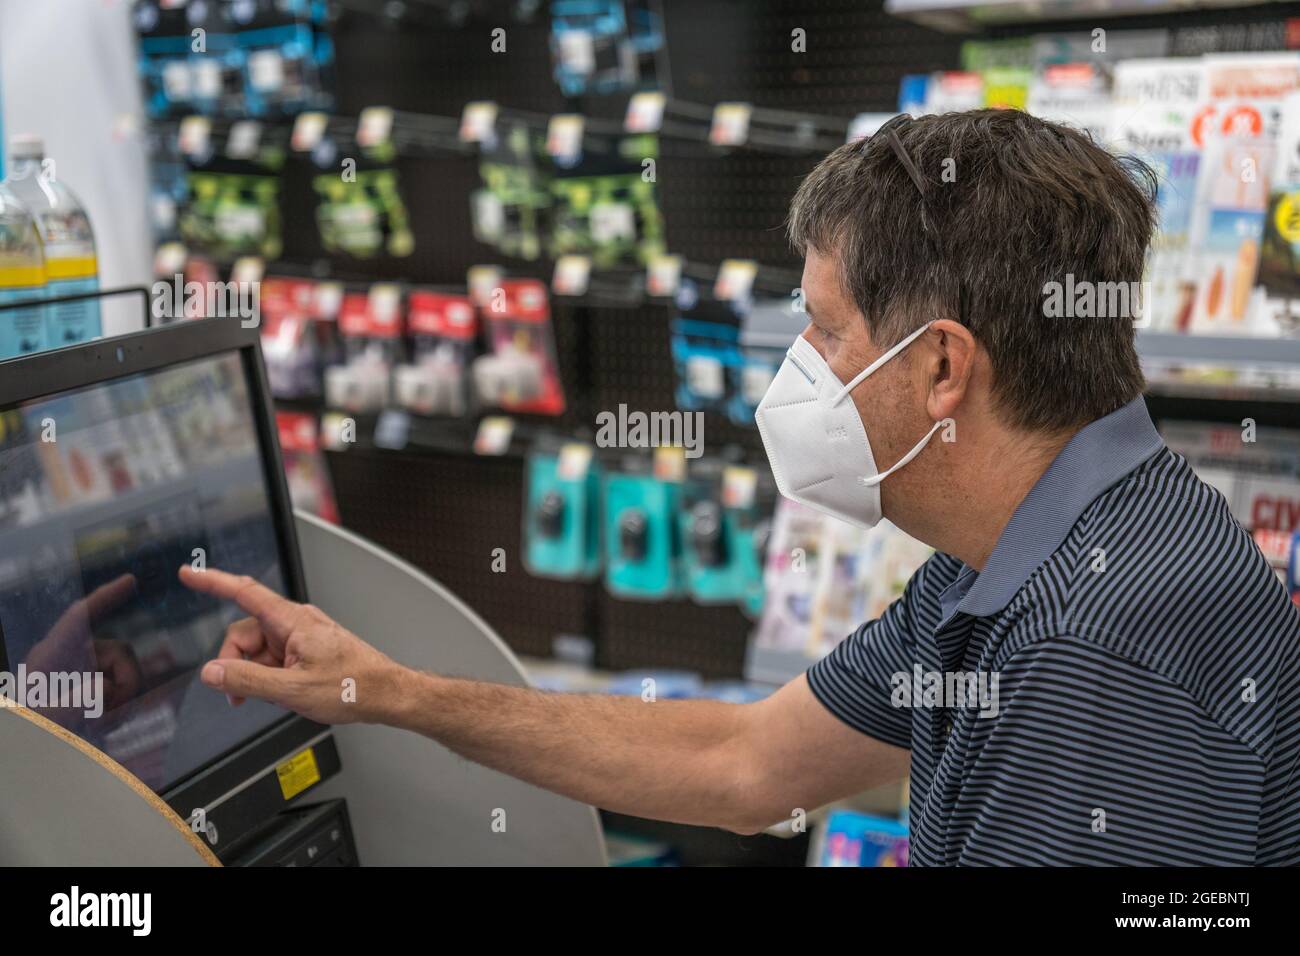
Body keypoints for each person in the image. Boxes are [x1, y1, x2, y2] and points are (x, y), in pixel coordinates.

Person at [180, 109, 1300, 865]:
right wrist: (385, 689)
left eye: (823, 328)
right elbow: (747, 761)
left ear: (943, 367)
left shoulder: (1086, 651)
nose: (797, 368)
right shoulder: (1022, 554)